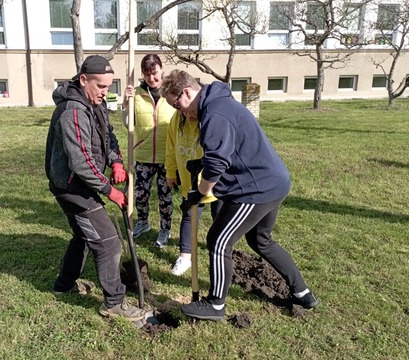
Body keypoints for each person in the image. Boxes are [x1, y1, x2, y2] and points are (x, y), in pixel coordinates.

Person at [160, 69, 319, 321]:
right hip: (274, 181)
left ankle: (215, 305)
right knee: (261, 241)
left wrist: (199, 194)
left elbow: (218, 163)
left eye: (176, 104)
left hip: (256, 189)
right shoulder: (219, 104)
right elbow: (231, 149)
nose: (179, 112)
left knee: (219, 240)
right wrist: (199, 162)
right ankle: (302, 293)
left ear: (187, 92)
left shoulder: (214, 113)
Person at [45, 55, 146, 321]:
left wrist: (116, 162)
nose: (105, 92)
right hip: (72, 187)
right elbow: (80, 161)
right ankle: (114, 303)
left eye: (109, 86)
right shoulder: (73, 111)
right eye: (100, 86)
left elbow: (108, 135)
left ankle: (63, 286)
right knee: (109, 242)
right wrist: (109, 190)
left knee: (84, 237)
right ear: (83, 80)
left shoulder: (95, 104)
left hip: (84, 183)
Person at [122, 54, 175, 248]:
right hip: (143, 155)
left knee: (165, 196)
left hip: (166, 156)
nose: (151, 78)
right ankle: (143, 223)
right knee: (140, 194)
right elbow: (129, 124)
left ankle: (165, 229)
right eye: (147, 74)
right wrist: (126, 104)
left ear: (161, 69)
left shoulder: (171, 92)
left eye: (154, 73)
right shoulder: (135, 94)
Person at [165, 111, 223, 276]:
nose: (186, 113)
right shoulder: (176, 118)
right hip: (189, 178)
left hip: (215, 181)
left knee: (220, 217)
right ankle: (185, 257)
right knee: (189, 216)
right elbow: (170, 146)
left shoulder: (210, 118)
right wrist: (170, 172)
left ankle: (221, 251)